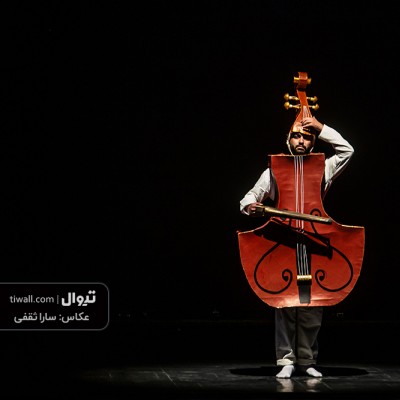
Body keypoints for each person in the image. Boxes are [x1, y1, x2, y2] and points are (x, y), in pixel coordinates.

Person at [239, 116, 354, 378]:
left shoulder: (323, 167)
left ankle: (307, 359)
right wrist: (250, 206)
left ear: (313, 141)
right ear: (288, 139)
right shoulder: (274, 170)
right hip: (284, 240)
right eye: (296, 136)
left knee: (313, 304)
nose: (301, 140)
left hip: (315, 239)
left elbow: (348, 150)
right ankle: (286, 360)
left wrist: (321, 127)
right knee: (284, 303)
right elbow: (249, 197)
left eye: (307, 136)